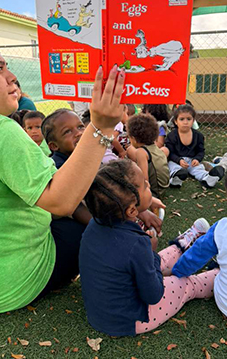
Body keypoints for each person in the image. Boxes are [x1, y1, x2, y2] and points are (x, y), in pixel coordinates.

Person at [0, 34, 126, 313]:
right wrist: (102, 127)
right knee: (89, 228)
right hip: (8, 286)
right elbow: (61, 201)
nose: (12, 77)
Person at [79, 159, 218, 336]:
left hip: (101, 312)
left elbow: (131, 261)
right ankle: (218, 277)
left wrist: (147, 248)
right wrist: (150, 252)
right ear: (130, 210)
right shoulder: (137, 245)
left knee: (152, 261)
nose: (148, 185)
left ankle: (181, 246)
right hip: (130, 320)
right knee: (183, 283)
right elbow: (154, 295)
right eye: (145, 186)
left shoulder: (94, 224)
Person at [172, 176, 227, 319]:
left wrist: (177, 272)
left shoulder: (222, 228)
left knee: (212, 274)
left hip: (225, 302)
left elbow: (195, 257)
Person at [165, 104, 224, 188]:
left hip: (192, 162)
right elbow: (170, 153)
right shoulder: (171, 136)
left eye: (188, 119)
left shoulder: (198, 136)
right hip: (176, 161)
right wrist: (179, 160)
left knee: (198, 169)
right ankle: (176, 179)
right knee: (172, 167)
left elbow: (201, 151)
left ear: (193, 121)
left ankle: (208, 178)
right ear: (175, 121)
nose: (185, 122)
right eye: (182, 119)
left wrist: (197, 159)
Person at [127, 114, 170, 198]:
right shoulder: (155, 147)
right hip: (163, 188)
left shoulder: (141, 152)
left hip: (154, 192)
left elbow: (144, 178)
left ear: (134, 139)